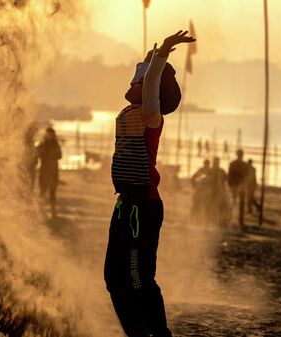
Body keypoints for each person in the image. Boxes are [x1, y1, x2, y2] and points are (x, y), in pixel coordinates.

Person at [104, 30, 195, 337]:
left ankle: (159, 334)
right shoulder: (130, 111)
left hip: (142, 208)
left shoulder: (149, 116)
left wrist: (163, 54)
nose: (132, 83)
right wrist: (147, 59)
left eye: (138, 82)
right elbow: (144, 75)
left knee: (139, 278)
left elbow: (152, 83)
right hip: (125, 205)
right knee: (113, 279)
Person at [37, 127, 62, 217]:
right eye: (48, 134)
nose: (50, 136)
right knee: (42, 192)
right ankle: (40, 212)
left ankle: (53, 212)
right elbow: (38, 155)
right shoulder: (42, 145)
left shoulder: (56, 145)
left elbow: (59, 156)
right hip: (44, 171)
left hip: (53, 171)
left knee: (52, 193)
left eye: (51, 134)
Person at [228, 149, 248, 226]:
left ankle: (240, 220)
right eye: (240, 154)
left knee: (240, 203)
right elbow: (230, 175)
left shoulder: (243, 165)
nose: (240, 156)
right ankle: (230, 218)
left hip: (240, 186)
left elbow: (246, 176)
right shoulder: (233, 164)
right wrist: (231, 185)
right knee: (232, 202)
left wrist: (243, 184)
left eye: (241, 154)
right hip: (235, 186)